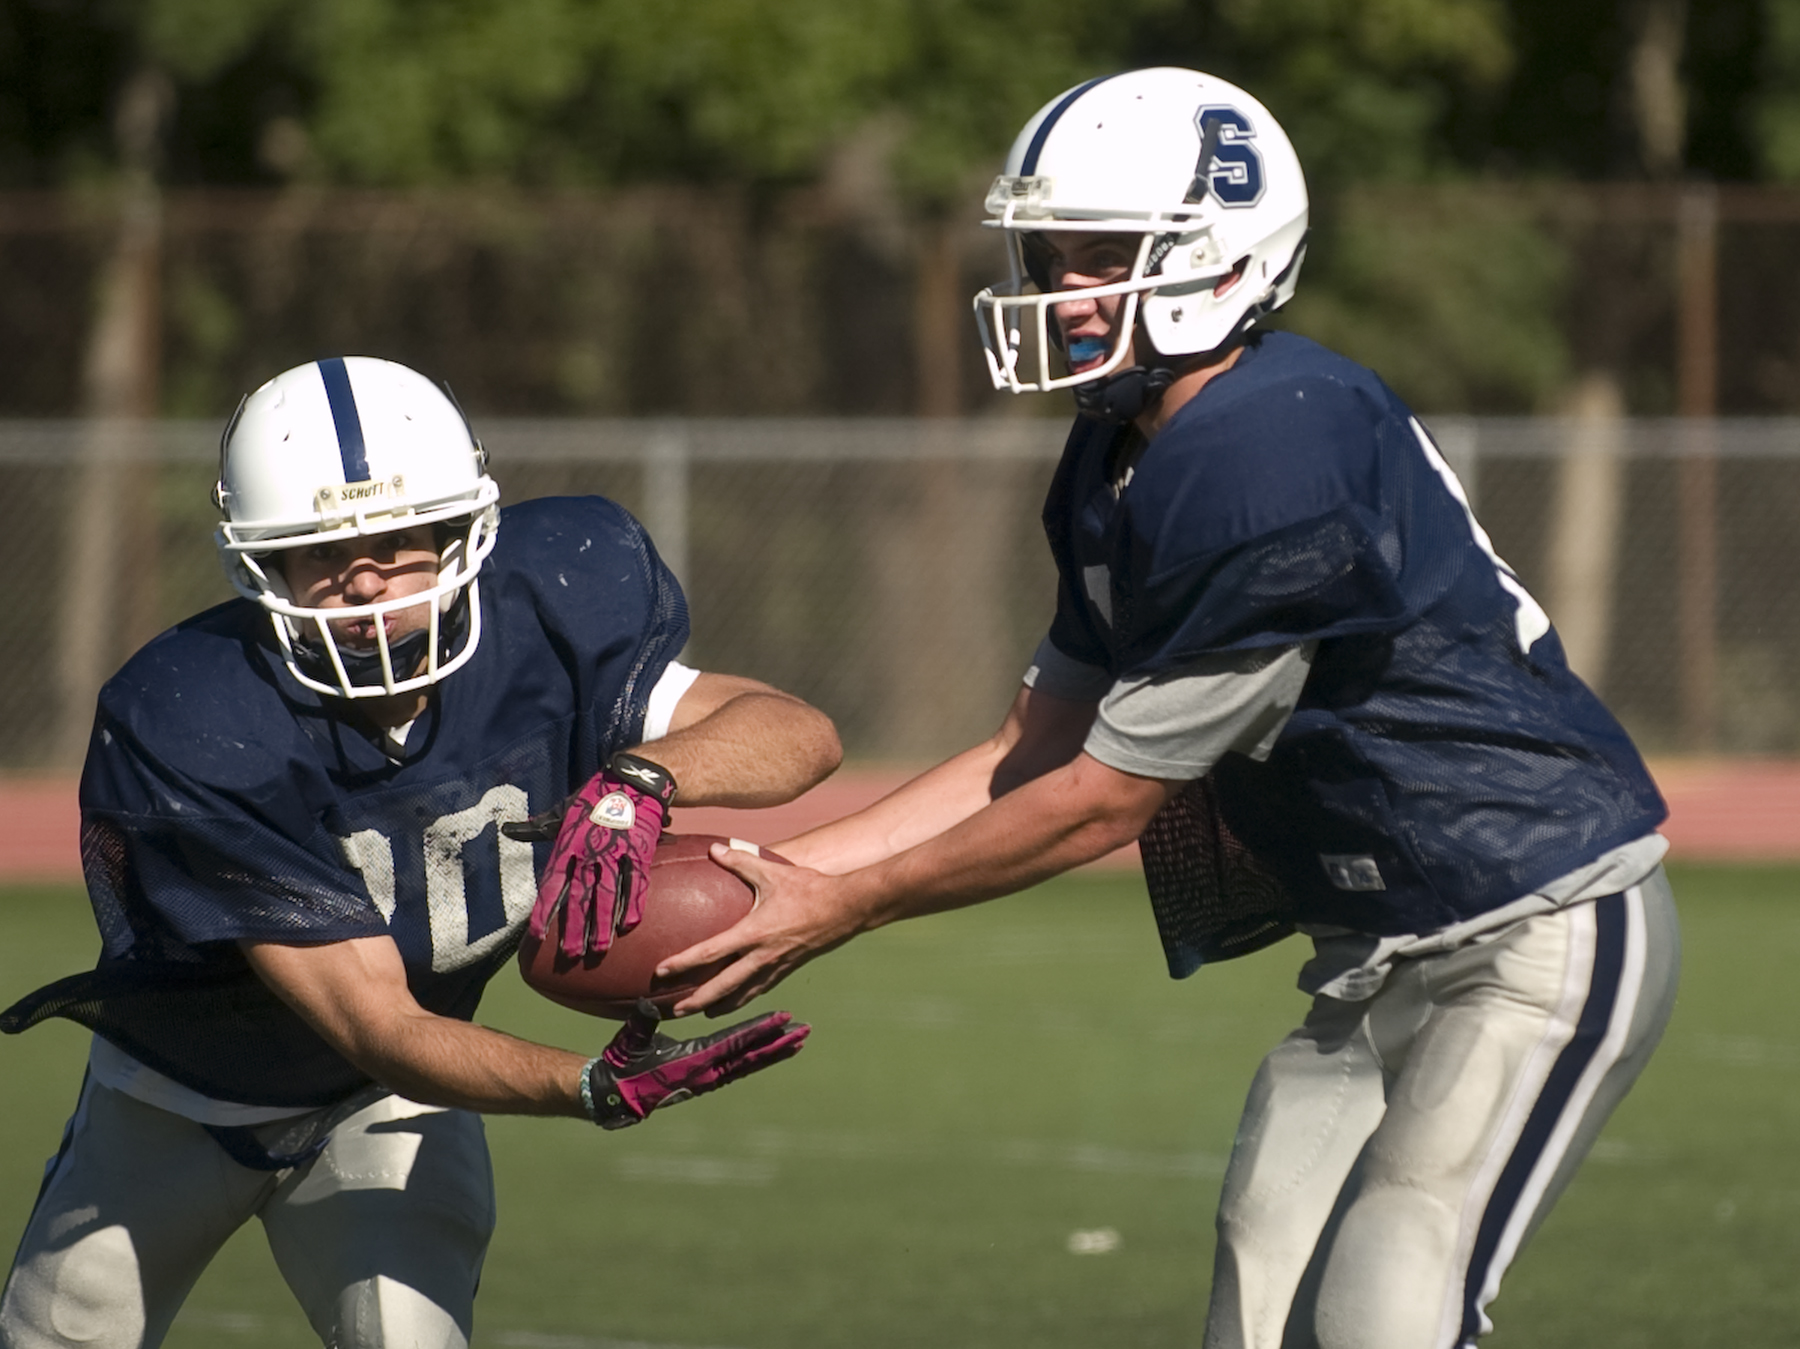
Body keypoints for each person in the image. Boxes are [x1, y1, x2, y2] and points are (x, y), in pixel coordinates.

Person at [661, 68, 1680, 1349]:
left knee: (1390, 1314)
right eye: (1050, 256)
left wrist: (846, 904)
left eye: (1099, 256)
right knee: (1255, 1316)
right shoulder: (1116, 449)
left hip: (1534, 919)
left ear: (1217, 256)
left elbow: (1103, 798)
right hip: (1369, 951)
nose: (1059, 292)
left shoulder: (1273, 442)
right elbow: (1031, 743)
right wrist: (775, 873)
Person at [0, 356, 840, 1349]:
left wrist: (641, 777)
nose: (361, 578)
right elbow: (377, 1022)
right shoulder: (196, 713)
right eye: (317, 549)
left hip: (390, 1105)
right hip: (176, 1100)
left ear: (461, 530)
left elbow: (797, 733)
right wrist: (586, 1083)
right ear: (256, 562)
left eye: (397, 538)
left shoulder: (552, 606)